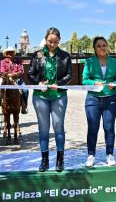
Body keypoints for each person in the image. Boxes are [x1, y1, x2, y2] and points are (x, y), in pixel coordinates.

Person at [28, 27, 72, 172]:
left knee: (58, 126)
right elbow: (31, 74)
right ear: (45, 39)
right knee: (43, 128)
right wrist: (38, 83)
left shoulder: (65, 56)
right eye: (50, 41)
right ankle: (44, 160)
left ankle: (60, 160)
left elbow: (69, 75)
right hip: (40, 96)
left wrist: (58, 84)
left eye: (55, 41)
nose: (52, 44)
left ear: (59, 40)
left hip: (59, 96)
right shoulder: (37, 55)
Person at [82, 37, 116, 167]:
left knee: (109, 127)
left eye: (104, 45)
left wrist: (114, 84)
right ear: (94, 48)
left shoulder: (114, 62)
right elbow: (84, 80)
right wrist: (94, 83)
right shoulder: (89, 62)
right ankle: (91, 155)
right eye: (99, 46)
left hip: (110, 98)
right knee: (93, 128)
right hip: (93, 99)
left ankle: (110, 154)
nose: (102, 47)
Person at [0, 47, 29, 114]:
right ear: (6, 54)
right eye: (8, 52)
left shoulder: (18, 60)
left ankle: (24, 107)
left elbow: (21, 70)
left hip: (17, 79)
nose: (10, 53)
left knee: (25, 90)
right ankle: (1, 104)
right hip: (6, 80)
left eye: (12, 52)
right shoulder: (2, 62)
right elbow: (2, 71)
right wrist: (7, 74)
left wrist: (15, 74)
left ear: (14, 53)